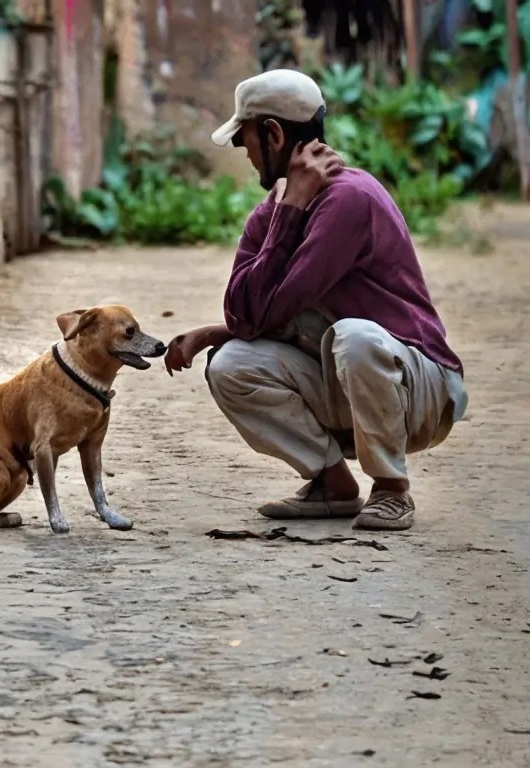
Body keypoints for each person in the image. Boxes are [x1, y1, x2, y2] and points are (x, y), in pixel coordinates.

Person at [164, 69, 467, 532]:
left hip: (419, 388)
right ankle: (332, 483)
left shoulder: (349, 200)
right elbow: (244, 313)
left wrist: (289, 211)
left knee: (355, 336)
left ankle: (391, 489)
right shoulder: (275, 210)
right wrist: (216, 333)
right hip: (349, 376)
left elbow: (278, 306)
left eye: (246, 139)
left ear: (273, 133)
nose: (244, 154)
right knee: (231, 365)